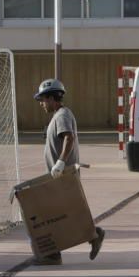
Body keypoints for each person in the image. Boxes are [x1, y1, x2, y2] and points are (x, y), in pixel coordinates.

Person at [33, 78, 106, 266]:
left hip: (63, 175)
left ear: (51, 98)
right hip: (59, 176)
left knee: (52, 215)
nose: (41, 104)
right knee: (64, 215)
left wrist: (60, 162)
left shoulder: (62, 115)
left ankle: (53, 254)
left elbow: (68, 138)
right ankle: (92, 236)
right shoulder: (58, 116)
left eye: (42, 99)